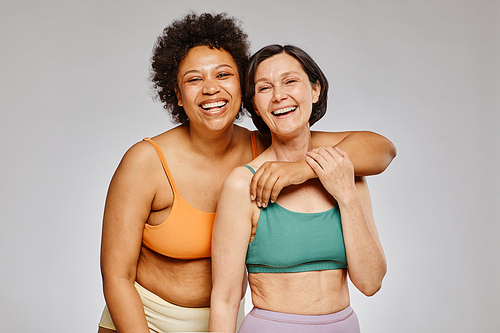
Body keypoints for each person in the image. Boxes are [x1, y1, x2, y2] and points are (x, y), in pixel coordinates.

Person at [99, 12, 395, 333]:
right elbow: (117, 277)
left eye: (223, 75)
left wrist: (298, 169)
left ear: (242, 90)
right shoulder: (145, 161)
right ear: (178, 96)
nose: (210, 88)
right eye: (194, 79)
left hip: (224, 320)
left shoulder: (266, 143)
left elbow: (379, 148)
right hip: (145, 319)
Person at [209, 44, 388, 332]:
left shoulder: (345, 170)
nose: (280, 95)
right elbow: (226, 299)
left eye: (290, 81)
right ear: (255, 104)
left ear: (315, 90)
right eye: (265, 88)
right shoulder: (242, 184)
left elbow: (370, 283)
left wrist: (344, 194)